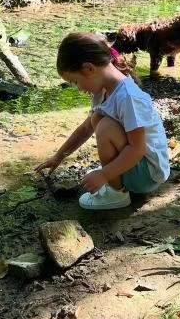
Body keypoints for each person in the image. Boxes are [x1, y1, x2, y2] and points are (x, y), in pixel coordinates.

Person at [34, 32, 170, 210]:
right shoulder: (104, 90)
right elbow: (86, 127)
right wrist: (59, 156)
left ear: (89, 68)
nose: (78, 88)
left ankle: (116, 194)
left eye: (75, 81)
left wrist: (104, 174)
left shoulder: (128, 96)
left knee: (105, 126)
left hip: (148, 175)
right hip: (138, 166)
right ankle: (116, 180)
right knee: (97, 119)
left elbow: (137, 149)